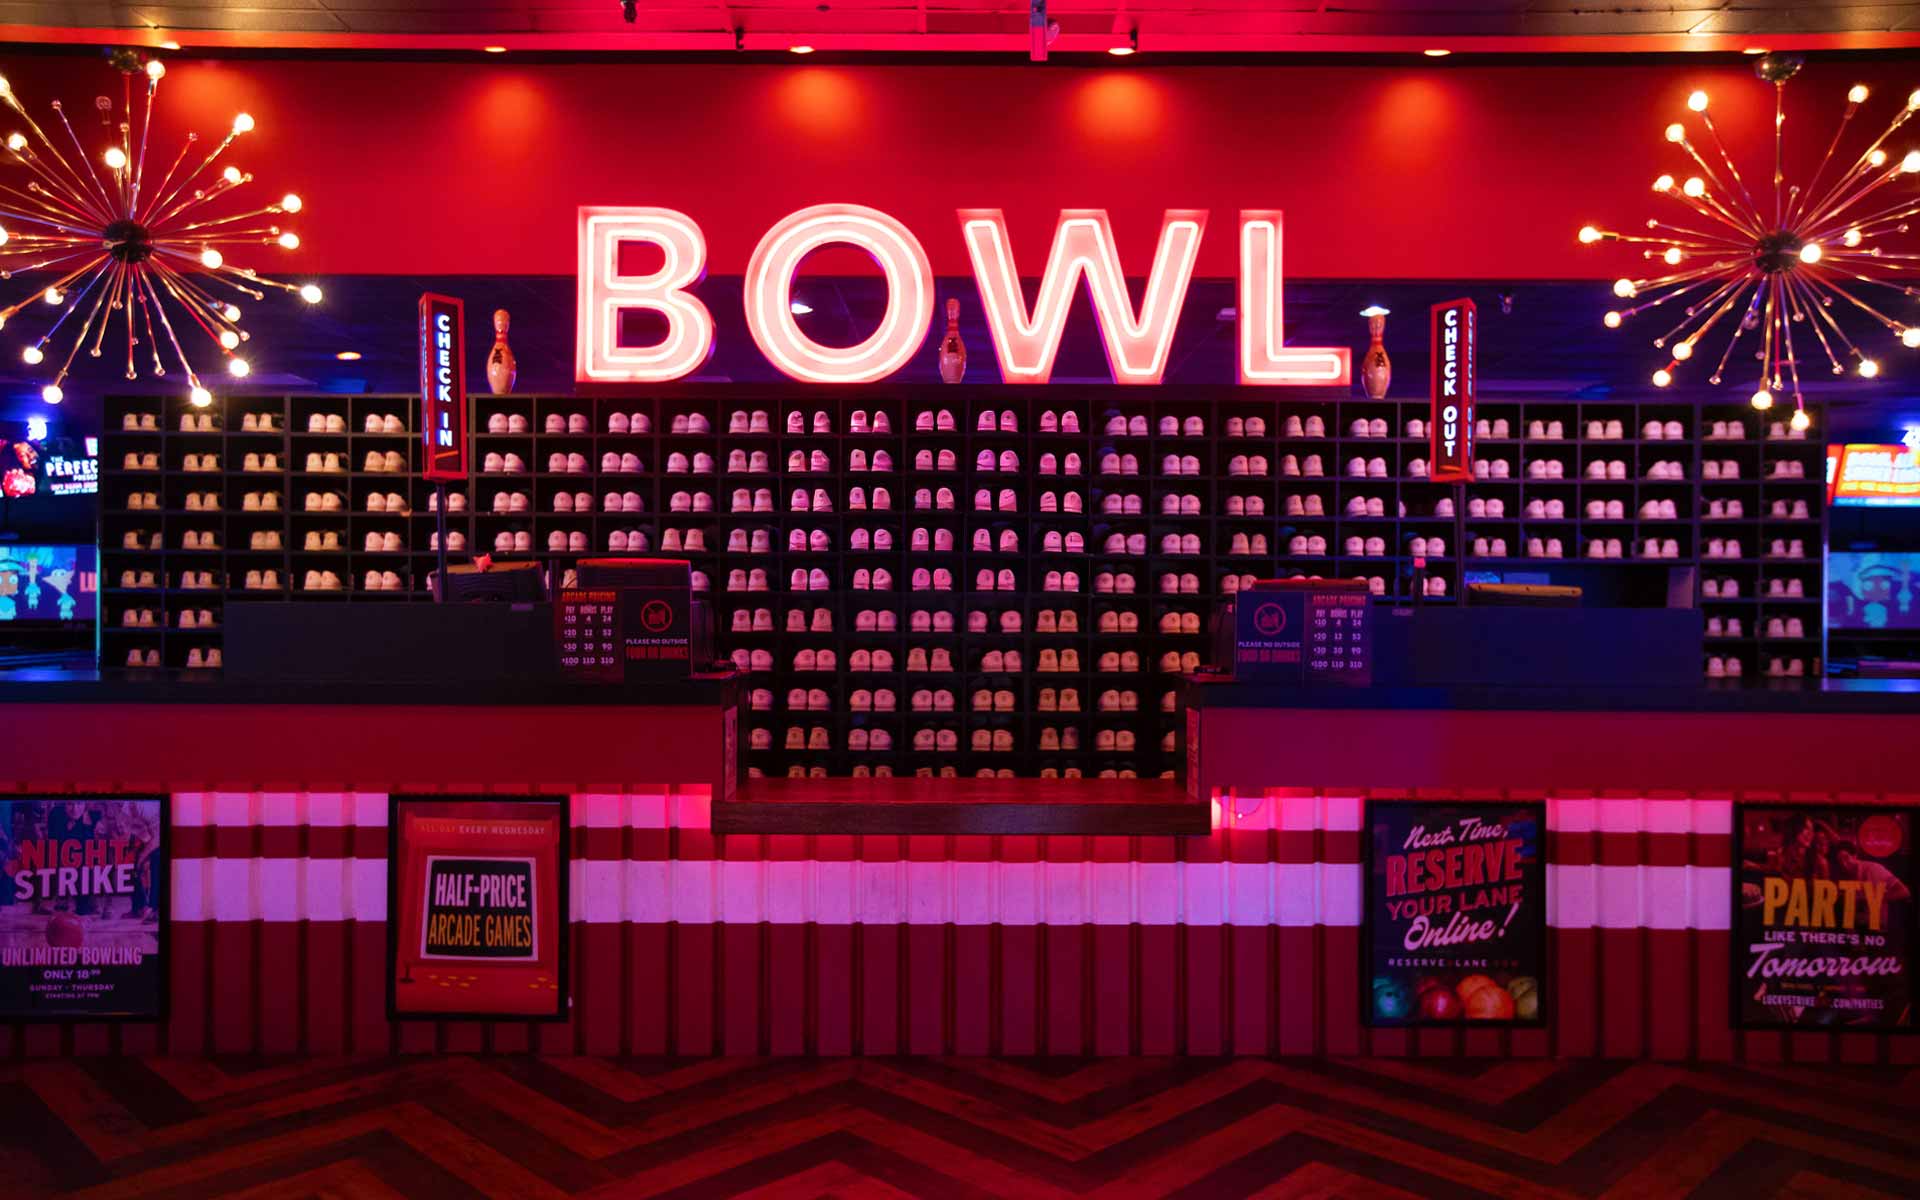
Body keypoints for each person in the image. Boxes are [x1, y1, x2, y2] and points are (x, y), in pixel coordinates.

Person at [1832, 841, 1911, 930]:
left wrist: (1875, 898)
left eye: (1846, 858)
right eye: (1840, 861)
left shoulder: (1874, 869)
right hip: (1855, 926)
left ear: (1854, 855)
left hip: (1876, 926)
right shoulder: (1842, 875)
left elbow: (1904, 891)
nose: (1843, 864)